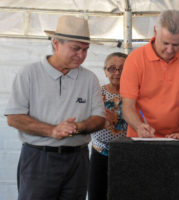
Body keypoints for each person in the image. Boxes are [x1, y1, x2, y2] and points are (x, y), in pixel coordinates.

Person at [4, 15, 106, 200]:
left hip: (78, 159)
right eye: (75, 49)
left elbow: (99, 119)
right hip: (39, 158)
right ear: (56, 43)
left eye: (85, 50)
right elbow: (14, 117)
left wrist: (77, 128)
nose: (81, 55)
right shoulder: (29, 73)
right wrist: (52, 131)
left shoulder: (89, 78)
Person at [120, 10, 179, 139]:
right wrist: (139, 126)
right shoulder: (135, 59)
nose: (170, 50)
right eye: (165, 43)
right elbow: (127, 105)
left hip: (176, 137)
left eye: (176, 45)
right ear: (155, 31)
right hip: (142, 137)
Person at [88, 52, 128, 200]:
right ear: (105, 71)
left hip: (127, 155)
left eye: (122, 68)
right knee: (97, 194)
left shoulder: (136, 94)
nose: (117, 72)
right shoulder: (96, 93)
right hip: (100, 152)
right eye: (112, 68)